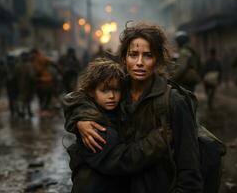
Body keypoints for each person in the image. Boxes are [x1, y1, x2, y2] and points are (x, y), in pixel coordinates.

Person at [65, 22, 202, 192]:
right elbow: (79, 97)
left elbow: (189, 170)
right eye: (133, 54)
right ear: (124, 58)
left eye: (148, 55)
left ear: (157, 60)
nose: (139, 62)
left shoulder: (174, 102)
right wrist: (81, 117)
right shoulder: (115, 92)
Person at [64, 57, 169, 193]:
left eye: (116, 90)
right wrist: (157, 141)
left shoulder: (114, 111)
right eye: (105, 91)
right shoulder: (94, 126)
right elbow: (122, 160)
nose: (112, 96)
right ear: (91, 92)